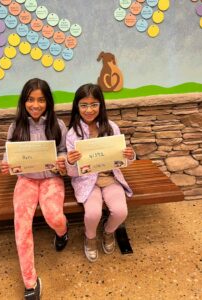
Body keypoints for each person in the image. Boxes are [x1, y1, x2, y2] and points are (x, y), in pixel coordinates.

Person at [0, 78, 68, 300]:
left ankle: (62, 234)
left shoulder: (57, 126)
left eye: (41, 100)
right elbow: (9, 155)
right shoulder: (16, 127)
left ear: (48, 102)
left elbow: (64, 151)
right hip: (26, 180)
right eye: (30, 100)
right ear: (24, 101)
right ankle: (30, 282)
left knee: (55, 216)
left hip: (51, 180)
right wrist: (6, 163)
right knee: (22, 227)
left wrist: (62, 160)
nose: (35, 105)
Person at [66, 83, 135, 262]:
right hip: (86, 181)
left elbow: (121, 160)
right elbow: (72, 173)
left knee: (120, 211)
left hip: (110, 178)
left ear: (101, 105)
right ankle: (90, 238)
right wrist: (70, 161)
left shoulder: (111, 127)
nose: (89, 110)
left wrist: (130, 155)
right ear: (77, 107)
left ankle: (108, 231)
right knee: (92, 213)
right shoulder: (73, 133)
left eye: (94, 104)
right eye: (84, 105)